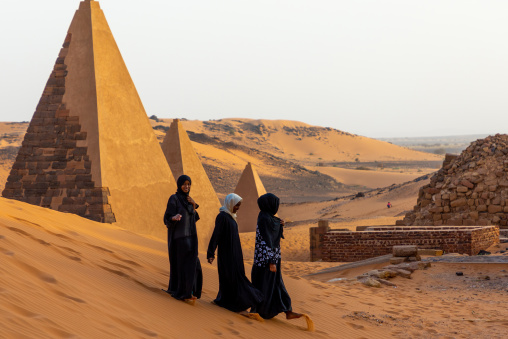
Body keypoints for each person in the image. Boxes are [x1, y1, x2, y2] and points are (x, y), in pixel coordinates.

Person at [207, 193, 263, 319]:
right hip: (226, 254)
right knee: (231, 278)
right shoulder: (222, 217)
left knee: (236, 276)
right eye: (236, 205)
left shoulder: (232, 217)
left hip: (235, 253)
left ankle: (230, 302)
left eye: (239, 205)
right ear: (230, 203)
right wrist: (211, 252)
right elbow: (216, 235)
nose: (238, 207)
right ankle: (237, 305)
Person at [251, 193, 303, 320]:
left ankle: (287, 310)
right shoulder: (264, 218)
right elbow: (267, 240)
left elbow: (273, 226)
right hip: (265, 260)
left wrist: (280, 224)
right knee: (264, 285)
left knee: (277, 284)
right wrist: (271, 261)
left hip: (272, 258)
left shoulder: (267, 217)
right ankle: (258, 311)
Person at [163, 175, 202, 303]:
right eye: (184, 184)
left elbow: (193, 219)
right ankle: (184, 293)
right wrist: (174, 218)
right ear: (179, 185)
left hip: (191, 238)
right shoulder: (174, 199)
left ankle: (189, 291)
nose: (187, 186)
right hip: (179, 239)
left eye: (189, 184)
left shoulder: (189, 200)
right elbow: (167, 218)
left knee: (194, 265)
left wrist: (194, 205)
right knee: (182, 266)